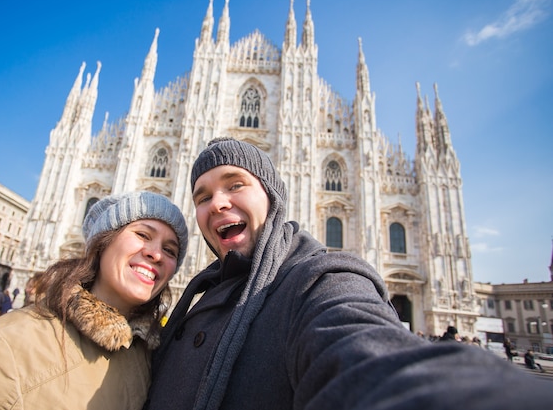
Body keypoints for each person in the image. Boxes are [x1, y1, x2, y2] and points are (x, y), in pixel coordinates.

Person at [146, 137, 552, 410]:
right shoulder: (199, 295)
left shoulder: (318, 280)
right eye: (202, 196)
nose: (217, 203)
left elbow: (362, 349)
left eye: (235, 184)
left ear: (271, 197)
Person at [0, 191, 188, 408]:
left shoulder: (148, 355)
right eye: (142, 234)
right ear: (102, 243)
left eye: (170, 250)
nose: (156, 254)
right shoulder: (6, 346)